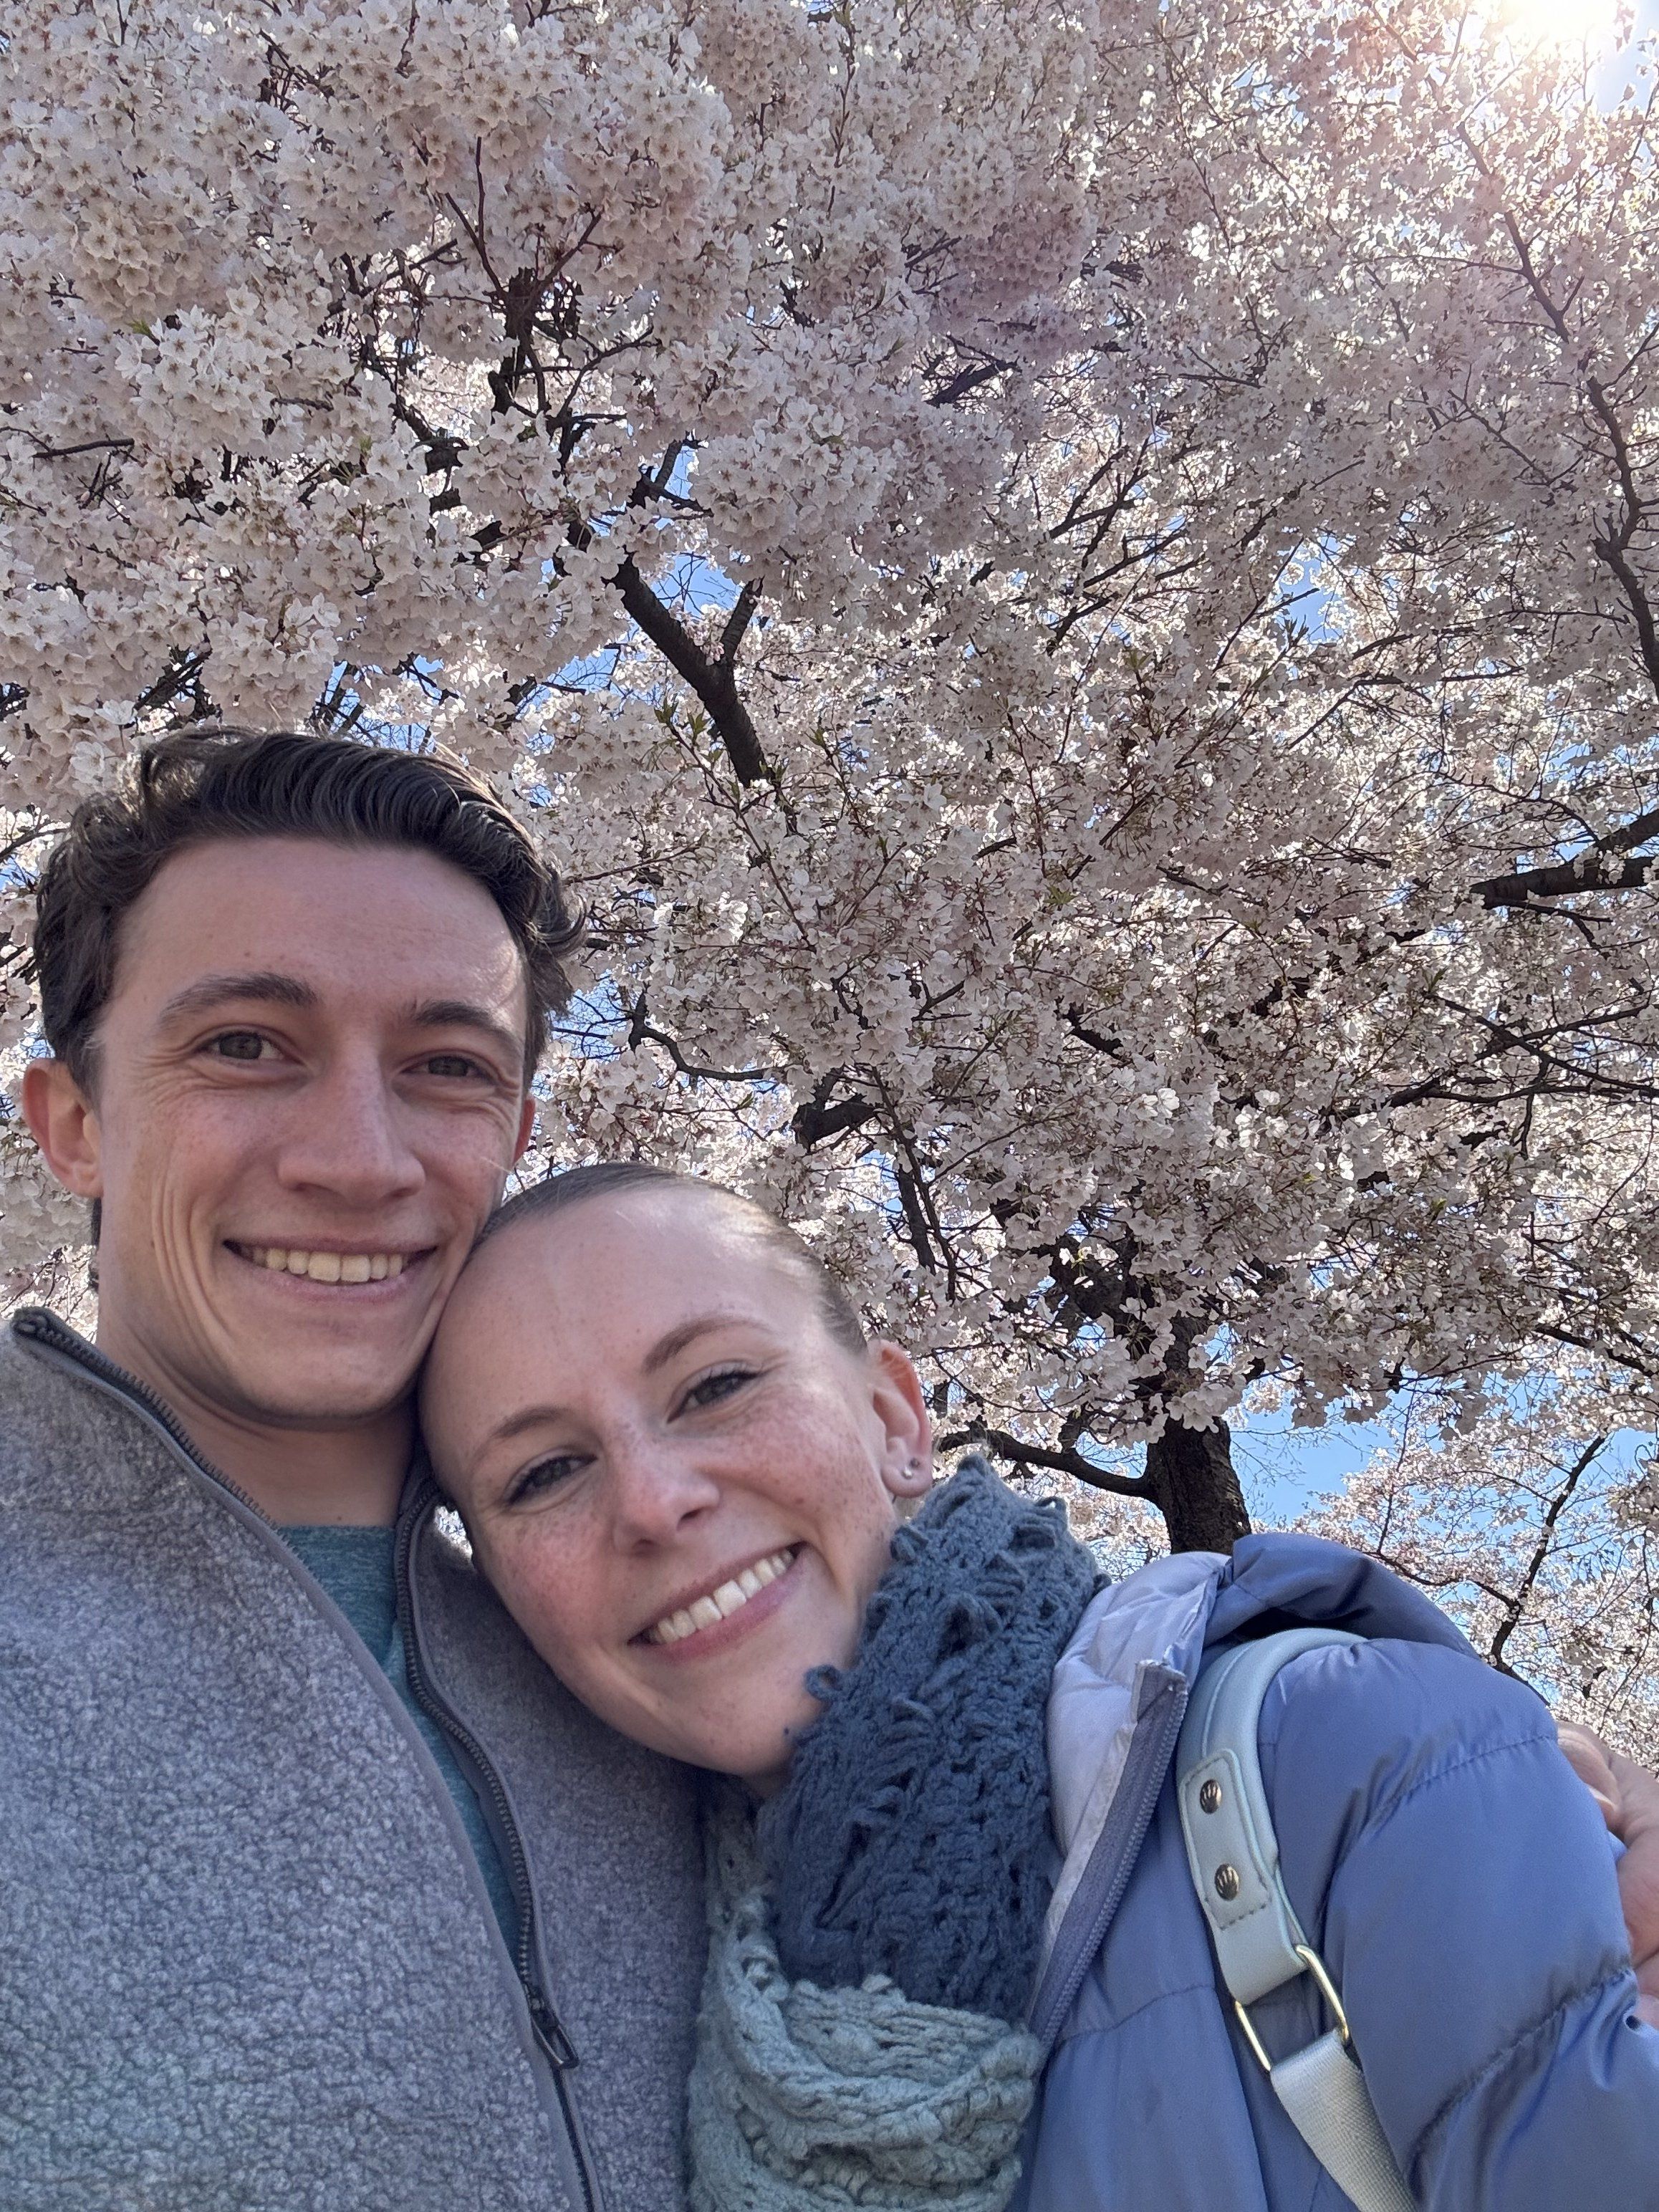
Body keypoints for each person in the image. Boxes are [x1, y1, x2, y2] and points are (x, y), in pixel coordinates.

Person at [420, 1160, 1659, 2211]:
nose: (651, 1500)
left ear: (900, 1421)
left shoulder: (1342, 1760)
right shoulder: (618, 1980)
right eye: (541, 1475)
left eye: (716, 1387)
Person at [6, 734, 706, 2211]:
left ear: (515, 1135)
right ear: (73, 1119)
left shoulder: (665, 1655)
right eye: (247, 1043)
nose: (359, 1156)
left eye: (446, 1068)